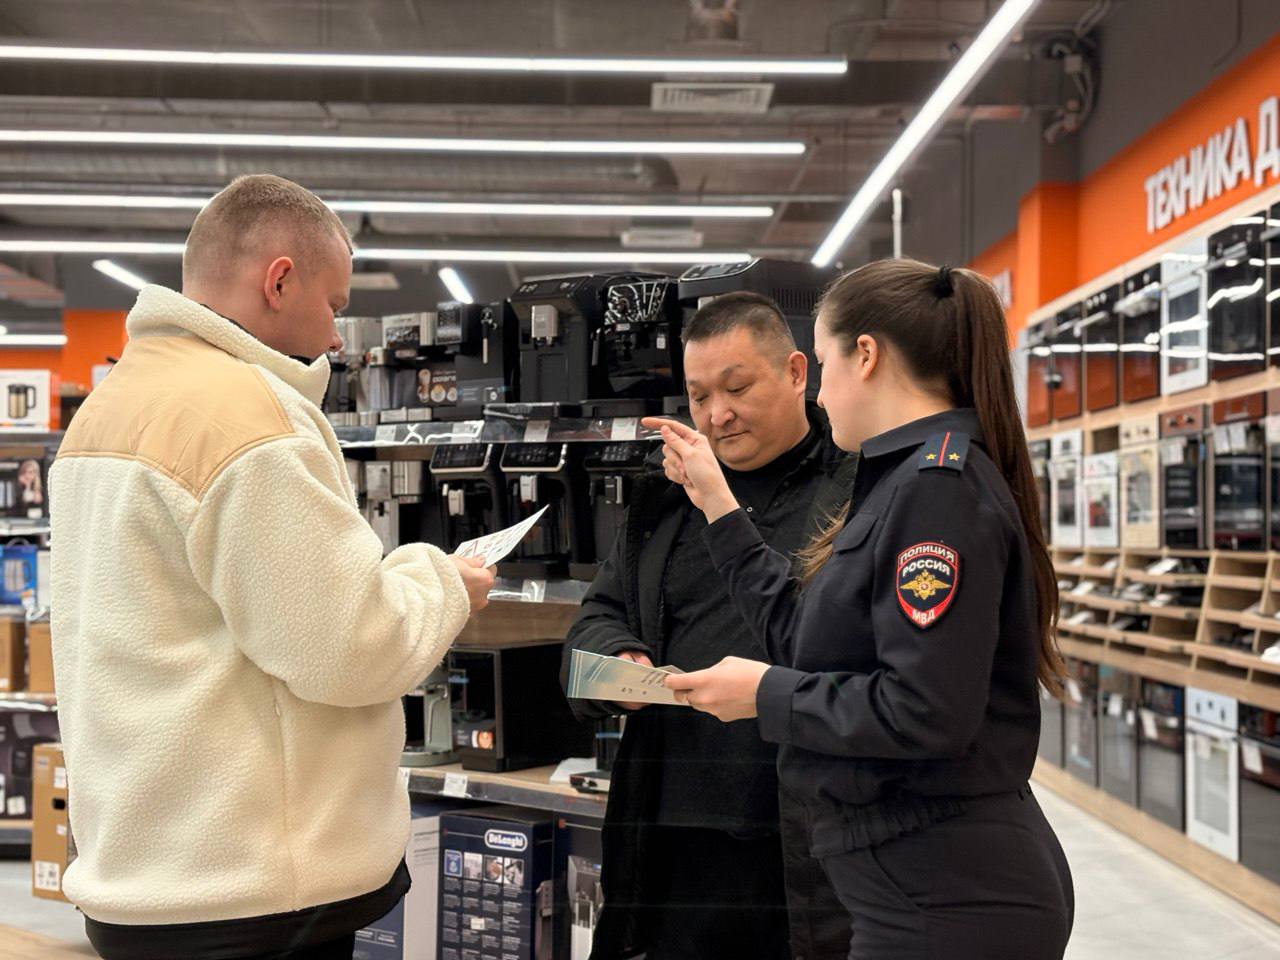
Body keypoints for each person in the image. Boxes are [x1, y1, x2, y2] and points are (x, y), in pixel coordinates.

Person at [50, 174, 495, 960]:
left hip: (143, 868)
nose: (335, 337)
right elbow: (349, 648)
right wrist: (442, 584)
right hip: (254, 889)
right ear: (279, 280)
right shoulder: (250, 416)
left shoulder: (108, 408)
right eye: (334, 303)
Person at [649, 260, 1075, 960]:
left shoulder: (939, 490)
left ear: (866, 356)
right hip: (916, 882)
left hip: (948, 892)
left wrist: (765, 695)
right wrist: (718, 506)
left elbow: (926, 710)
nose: (819, 391)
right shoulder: (902, 482)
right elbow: (805, 638)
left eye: (821, 363)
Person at [562, 292, 852, 960]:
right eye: (697, 397)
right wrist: (620, 665)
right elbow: (596, 619)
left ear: (798, 373)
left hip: (799, 843)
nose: (717, 415)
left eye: (738, 387)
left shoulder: (852, 494)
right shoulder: (664, 500)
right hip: (666, 840)